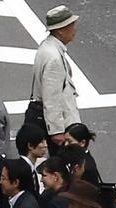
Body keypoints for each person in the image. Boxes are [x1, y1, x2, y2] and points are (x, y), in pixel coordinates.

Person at [31, 5, 80, 151]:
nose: (74, 29)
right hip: (60, 125)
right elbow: (51, 97)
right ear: (60, 30)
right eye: (71, 25)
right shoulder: (54, 58)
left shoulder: (47, 47)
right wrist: (57, 130)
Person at [16, 123, 48, 190]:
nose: (45, 145)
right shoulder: (21, 171)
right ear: (30, 146)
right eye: (42, 142)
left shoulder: (32, 168)